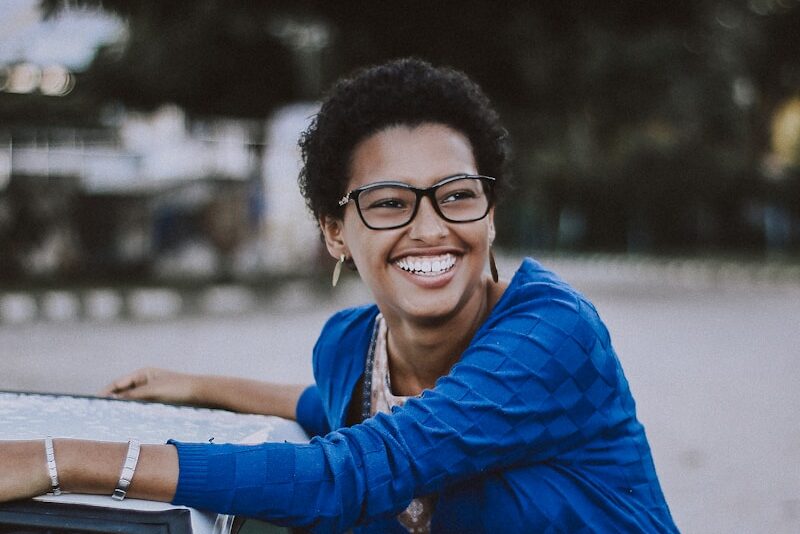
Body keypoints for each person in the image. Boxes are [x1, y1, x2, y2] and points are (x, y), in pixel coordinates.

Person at [0, 58, 677, 533]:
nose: (431, 226)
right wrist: (195, 383)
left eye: (459, 194)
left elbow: (345, 475)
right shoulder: (350, 346)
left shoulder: (551, 337)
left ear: (491, 213)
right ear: (335, 232)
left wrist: (57, 460)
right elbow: (334, 408)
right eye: (389, 203)